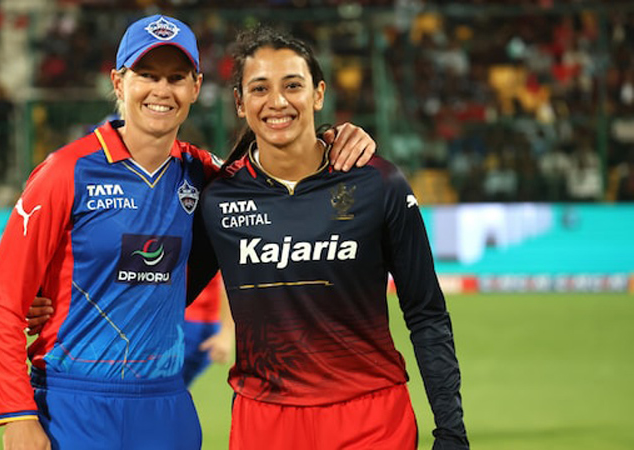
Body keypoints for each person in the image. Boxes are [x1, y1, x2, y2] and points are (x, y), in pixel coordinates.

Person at [0, 15, 376, 450]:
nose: (161, 90)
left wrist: (332, 136)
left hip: (167, 407)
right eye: (146, 75)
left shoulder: (205, 177)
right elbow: (2, 300)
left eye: (175, 77)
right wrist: (16, 415)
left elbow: (278, 173)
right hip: (73, 403)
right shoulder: (66, 172)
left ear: (195, 86)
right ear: (118, 82)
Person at [195, 26, 469, 449]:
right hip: (264, 422)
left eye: (293, 85)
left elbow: (426, 313)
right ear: (240, 103)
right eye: (260, 88)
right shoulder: (217, 198)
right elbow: (161, 291)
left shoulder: (378, 183)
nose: (278, 101)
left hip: (371, 419)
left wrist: (451, 431)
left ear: (318, 94)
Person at [182, 272, 234, 387]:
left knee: (165, 390)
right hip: (170, 320)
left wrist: (226, 332)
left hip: (195, 325)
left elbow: (230, 279)